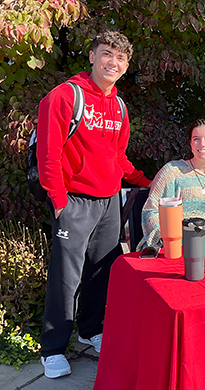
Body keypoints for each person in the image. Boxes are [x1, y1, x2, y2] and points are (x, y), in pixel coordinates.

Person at [36, 31, 152, 378]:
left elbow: (117, 157)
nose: (112, 62)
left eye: (120, 58)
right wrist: (58, 201)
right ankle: (53, 348)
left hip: (108, 203)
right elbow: (48, 154)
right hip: (73, 202)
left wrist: (147, 180)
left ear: (126, 65)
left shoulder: (118, 105)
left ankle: (90, 330)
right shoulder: (64, 96)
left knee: (102, 272)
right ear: (91, 56)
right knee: (65, 279)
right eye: (106, 54)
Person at [139, 119, 205, 248]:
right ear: (190, 144)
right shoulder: (172, 171)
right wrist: (167, 237)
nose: (201, 144)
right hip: (172, 244)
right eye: (196, 139)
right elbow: (151, 209)